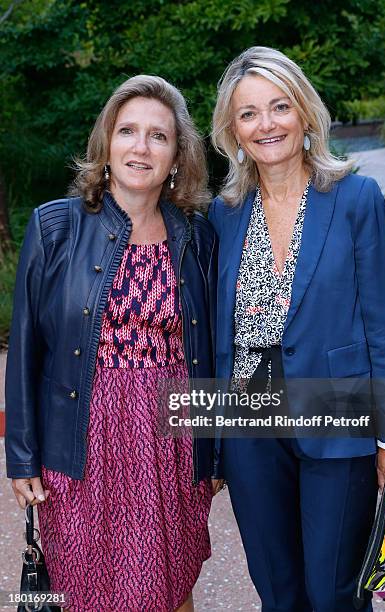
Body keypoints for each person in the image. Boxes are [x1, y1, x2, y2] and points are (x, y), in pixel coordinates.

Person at [6, 74, 222, 612]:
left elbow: (213, 348)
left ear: (177, 157)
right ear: (106, 144)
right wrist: (22, 457)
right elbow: (27, 349)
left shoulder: (197, 235)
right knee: (85, 587)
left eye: (158, 135)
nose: (141, 147)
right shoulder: (54, 227)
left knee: (169, 585)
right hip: (82, 441)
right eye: (127, 131)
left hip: (171, 440)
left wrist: (217, 448)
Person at [209, 46, 385, 612]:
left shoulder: (355, 198)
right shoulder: (224, 212)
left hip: (336, 417)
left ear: (304, 113)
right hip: (250, 427)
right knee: (279, 592)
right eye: (248, 114)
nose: (266, 124)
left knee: (333, 593)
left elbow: (381, 330)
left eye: (279, 107)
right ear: (232, 129)